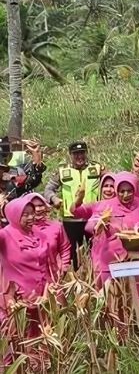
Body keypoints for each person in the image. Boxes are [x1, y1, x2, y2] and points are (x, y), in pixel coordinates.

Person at [83, 172, 139, 286]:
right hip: (112, 257)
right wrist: (98, 226)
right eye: (121, 191)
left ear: (135, 190)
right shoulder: (106, 205)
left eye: (129, 191)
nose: (125, 195)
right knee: (113, 296)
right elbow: (90, 225)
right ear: (116, 190)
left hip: (137, 257)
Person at [43, 141, 103, 269]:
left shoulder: (97, 168)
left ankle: (95, 279)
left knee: (96, 251)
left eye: (82, 153)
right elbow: (48, 190)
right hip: (71, 220)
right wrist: (54, 199)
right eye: (76, 154)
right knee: (73, 255)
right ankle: (76, 280)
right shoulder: (63, 171)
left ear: (86, 153)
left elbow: (111, 181)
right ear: (70, 155)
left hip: (93, 218)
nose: (79, 157)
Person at [0, 197, 51, 340]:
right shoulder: (5, 235)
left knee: (40, 341)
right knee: (16, 340)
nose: (31, 217)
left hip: (40, 300)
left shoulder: (39, 235)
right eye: (25, 214)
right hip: (16, 302)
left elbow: (46, 268)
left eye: (32, 213)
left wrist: (46, 295)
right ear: (14, 215)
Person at [27, 193, 71, 281]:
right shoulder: (23, 229)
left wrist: (64, 266)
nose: (38, 209)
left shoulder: (56, 226)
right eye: (34, 206)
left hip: (54, 277)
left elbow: (65, 248)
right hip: (31, 278)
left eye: (40, 205)